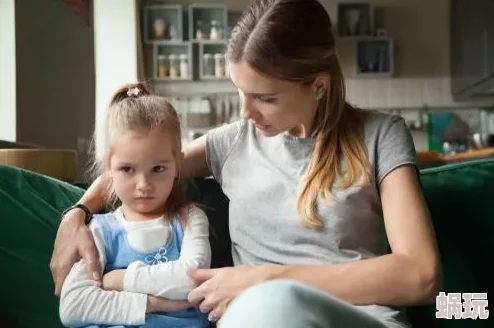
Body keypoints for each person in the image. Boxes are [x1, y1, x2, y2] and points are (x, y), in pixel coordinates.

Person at [51, 0, 441, 327]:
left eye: (265, 98)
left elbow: (420, 275)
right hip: (250, 319)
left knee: (275, 304)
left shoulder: (380, 136)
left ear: (318, 86)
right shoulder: (232, 143)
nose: (246, 112)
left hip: (351, 319)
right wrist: (76, 215)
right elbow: (141, 167)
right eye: (240, 91)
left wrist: (262, 280)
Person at [58, 83, 211, 328]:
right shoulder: (99, 229)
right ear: (108, 166)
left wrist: (118, 280)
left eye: (158, 169)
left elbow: (193, 279)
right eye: (127, 169)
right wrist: (151, 303)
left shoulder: (189, 218)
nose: (143, 185)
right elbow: (73, 306)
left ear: (178, 166)